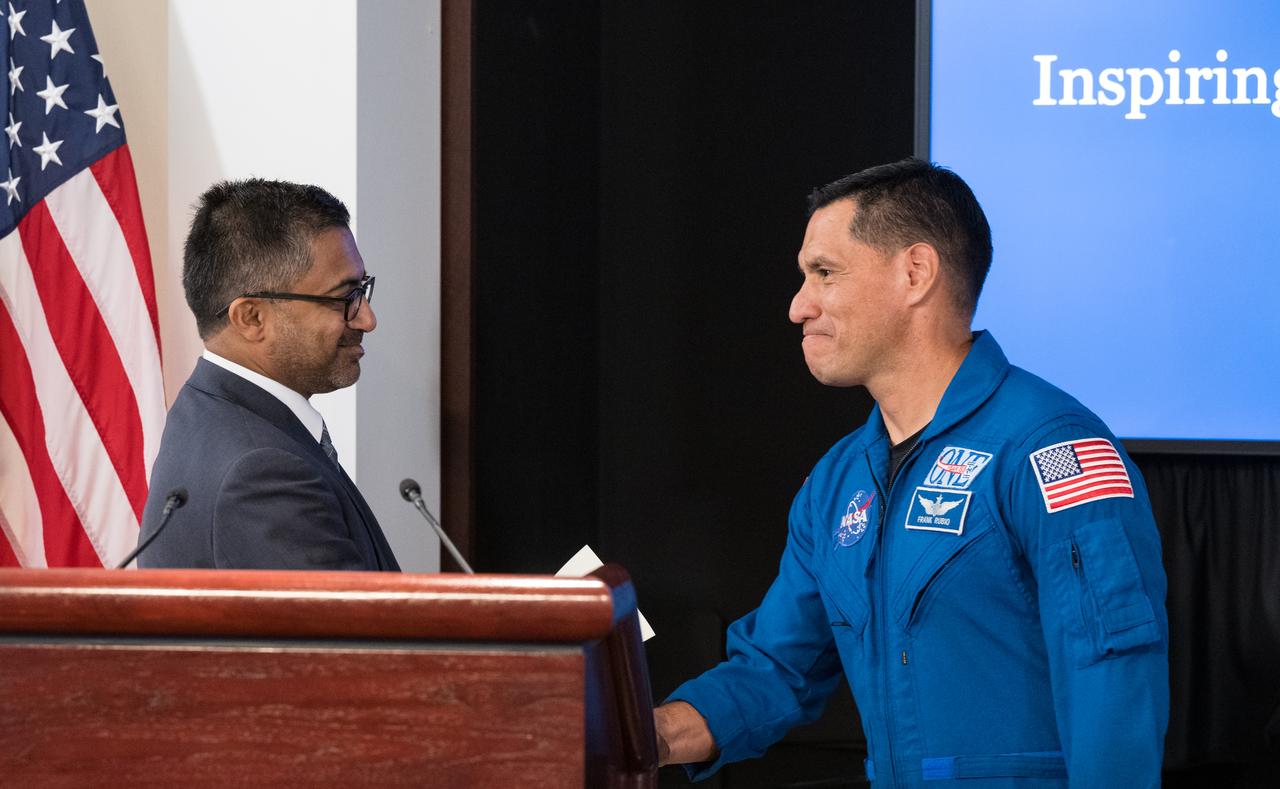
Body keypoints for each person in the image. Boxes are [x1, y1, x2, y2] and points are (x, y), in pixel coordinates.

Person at [654, 159, 1168, 786]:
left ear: (915, 273)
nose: (797, 307)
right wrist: (636, 736)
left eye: (824, 273)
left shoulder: (1051, 449)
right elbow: (774, 673)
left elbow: (1109, 681)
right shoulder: (837, 482)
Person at [136, 179, 399, 571]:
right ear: (252, 317)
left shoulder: (207, 409)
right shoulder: (262, 472)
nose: (367, 318)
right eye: (344, 298)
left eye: (362, 290)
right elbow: (355, 633)